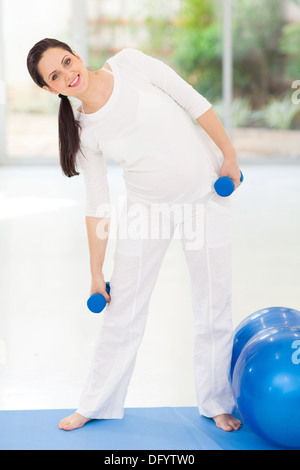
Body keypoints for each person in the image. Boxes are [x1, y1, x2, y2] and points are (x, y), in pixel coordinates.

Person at [27, 38, 242, 433]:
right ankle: (96, 403)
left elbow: (195, 102)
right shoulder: (83, 130)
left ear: (75, 54)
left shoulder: (130, 65)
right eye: (55, 76)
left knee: (214, 305)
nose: (69, 74)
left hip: (206, 197)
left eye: (67, 61)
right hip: (148, 212)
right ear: (49, 89)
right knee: (123, 311)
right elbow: (98, 205)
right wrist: (96, 271)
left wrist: (228, 154)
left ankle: (216, 402)